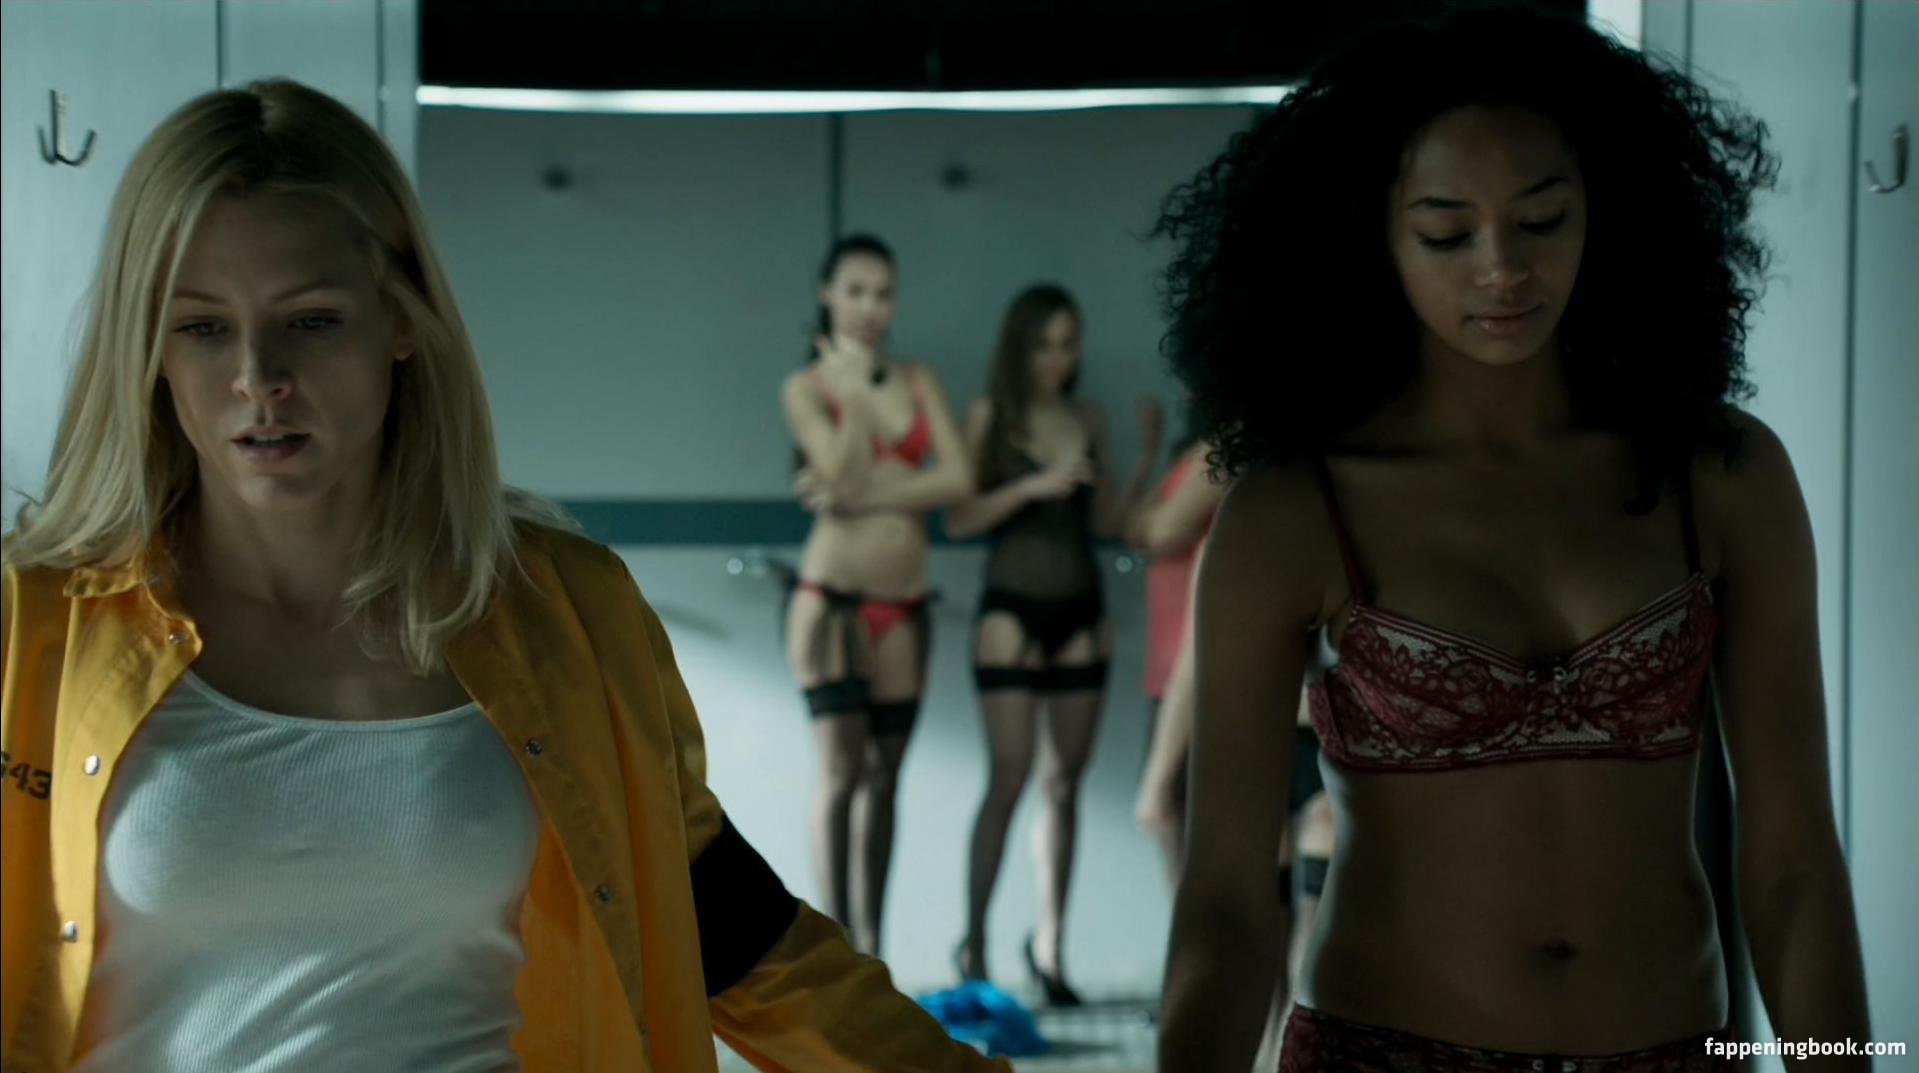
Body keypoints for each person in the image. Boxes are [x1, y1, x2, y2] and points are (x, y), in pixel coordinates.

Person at [0, 80, 1003, 1073]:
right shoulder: (35, 631)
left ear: (401, 323)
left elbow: (734, 932)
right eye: (203, 326)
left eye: (311, 320)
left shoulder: (563, 613)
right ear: (148, 347)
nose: (258, 376)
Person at [1154, 7, 1872, 1071]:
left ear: (1607, 209)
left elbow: (1794, 868)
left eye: (1541, 219)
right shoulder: (1294, 508)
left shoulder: (1720, 474)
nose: (1501, 268)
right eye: (1446, 233)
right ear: (1369, 237)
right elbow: (1223, 900)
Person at [944, 284, 1160, 1005]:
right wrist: (1032, 486)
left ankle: (1051, 949)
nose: (1058, 358)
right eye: (1044, 344)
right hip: (1010, 607)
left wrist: (1145, 456)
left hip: (1082, 608)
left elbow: (1106, 522)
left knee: (1063, 783)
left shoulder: (1087, 416)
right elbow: (959, 519)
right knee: (1007, 777)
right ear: (1020, 346)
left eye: (1069, 343)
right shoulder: (990, 414)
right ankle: (974, 943)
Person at [780, 234, 972, 957]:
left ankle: (874, 950)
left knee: (885, 778)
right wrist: (857, 395)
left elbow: (958, 479)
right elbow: (841, 472)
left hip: (905, 603)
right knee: (839, 775)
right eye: (855, 291)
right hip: (831, 598)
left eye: (883, 293)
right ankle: (839, 949)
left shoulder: (920, 379)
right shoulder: (806, 388)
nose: (869, 307)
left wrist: (864, 493)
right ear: (827, 294)